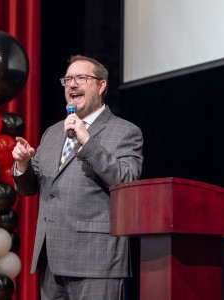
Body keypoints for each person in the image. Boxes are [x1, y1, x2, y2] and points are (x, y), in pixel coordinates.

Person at [11, 55, 144, 300]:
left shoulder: (125, 131)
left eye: (82, 78)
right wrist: (23, 165)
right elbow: (30, 188)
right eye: (68, 79)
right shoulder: (52, 133)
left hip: (95, 260)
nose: (72, 84)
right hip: (51, 260)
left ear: (101, 85)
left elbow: (127, 181)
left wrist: (87, 141)